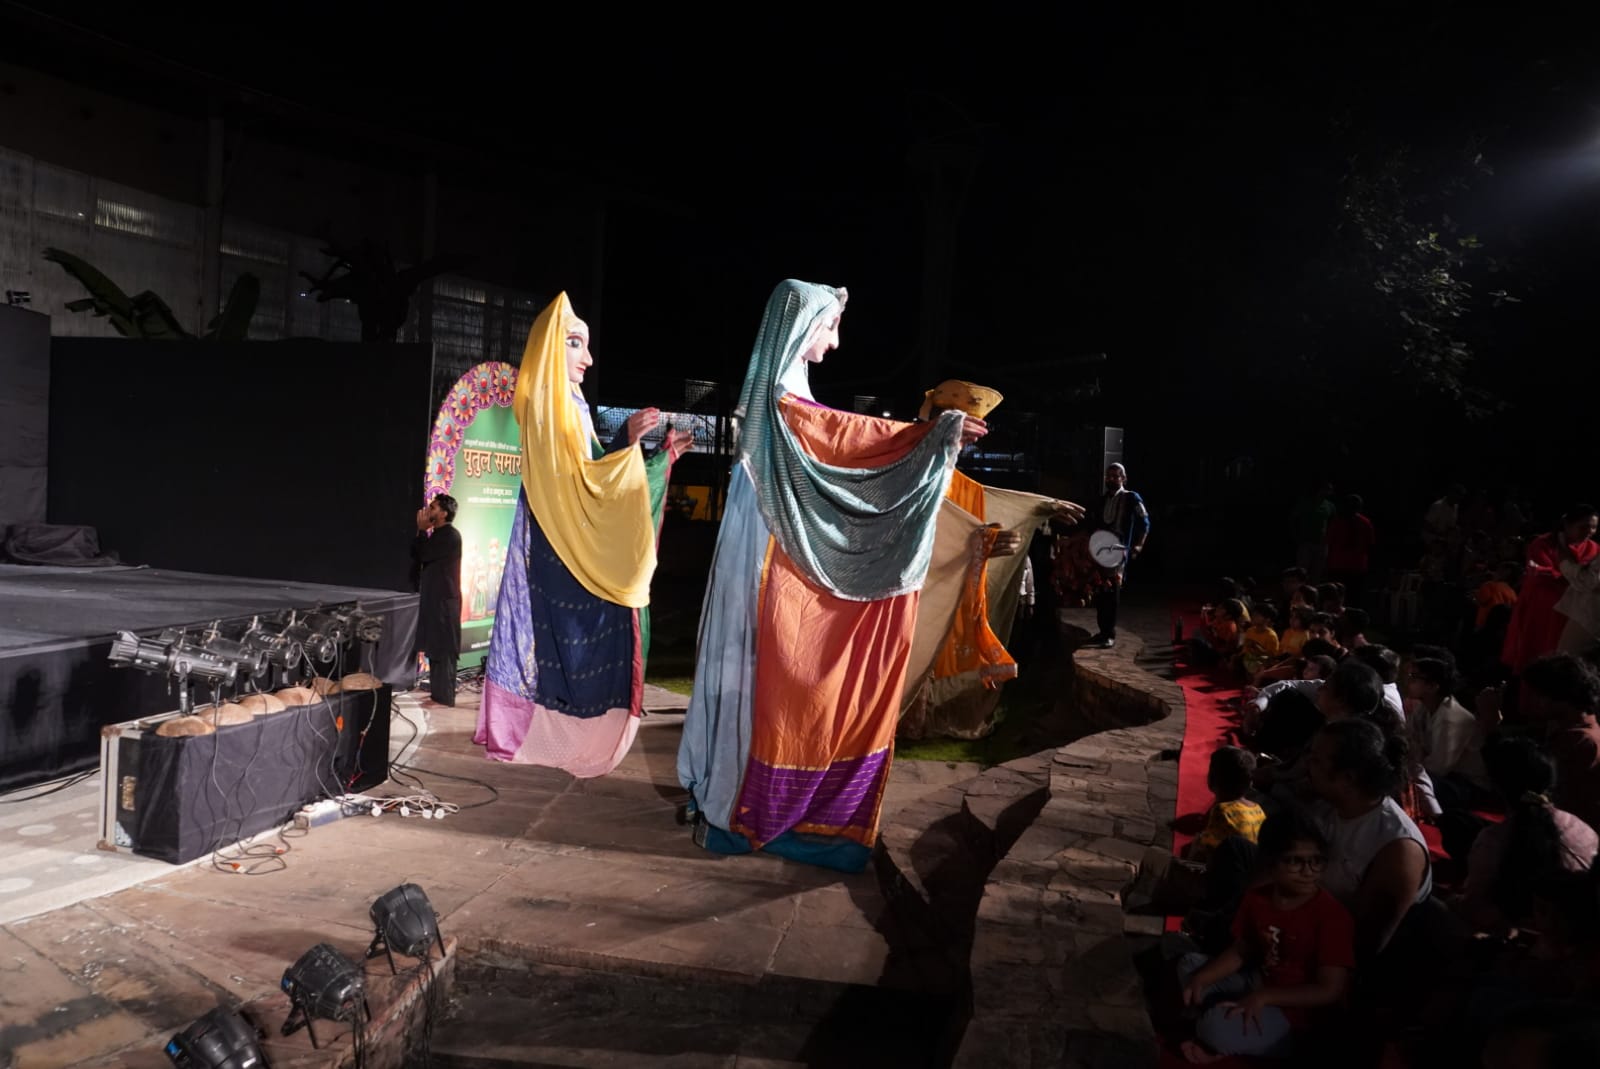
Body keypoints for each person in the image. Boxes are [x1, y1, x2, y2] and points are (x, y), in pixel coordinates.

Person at [676, 280, 985, 872]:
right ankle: (747, 809)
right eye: (830, 326)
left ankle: (732, 796)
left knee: (756, 669)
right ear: (800, 327)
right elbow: (841, 439)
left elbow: (836, 435)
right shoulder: (783, 401)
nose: (836, 342)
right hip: (772, 553)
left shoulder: (785, 397)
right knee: (772, 671)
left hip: (769, 544)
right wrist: (929, 436)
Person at [473, 293, 690, 776]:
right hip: (558, 544)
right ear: (550, 348)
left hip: (567, 537)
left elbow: (590, 471)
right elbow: (579, 483)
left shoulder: (572, 405)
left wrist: (649, 454)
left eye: (586, 345)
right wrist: (628, 444)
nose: (588, 358)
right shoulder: (549, 407)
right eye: (575, 344)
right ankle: (544, 732)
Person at [899, 379, 1084, 739]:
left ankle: (921, 720)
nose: (968, 445)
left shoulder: (946, 472)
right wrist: (979, 540)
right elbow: (930, 523)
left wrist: (1038, 508)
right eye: (964, 434)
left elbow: (978, 498)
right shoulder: (910, 466)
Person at [1176, 811, 1355, 1062]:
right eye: (1295, 861)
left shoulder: (1331, 916)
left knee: (1213, 1027)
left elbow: (1329, 990)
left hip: (1295, 1012)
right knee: (1190, 966)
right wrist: (1203, 978)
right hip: (1259, 980)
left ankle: (1224, 1028)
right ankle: (1222, 1016)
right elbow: (1241, 950)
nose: (1308, 871)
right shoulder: (1259, 898)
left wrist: (1264, 997)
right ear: (1271, 863)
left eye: (1316, 861)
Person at [1503, 505, 1600, 672]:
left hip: (1572, 612)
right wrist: (1572, 580)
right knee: (1536, 652)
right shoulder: (1543, 543)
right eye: (1583, 526)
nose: (1589, 532)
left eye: (1593, 527)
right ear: (1567, 525)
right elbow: (1540, 573)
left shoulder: (1594, 548)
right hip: (1543, 607)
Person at [1085, 462, 1149, 649]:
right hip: (1100, 550)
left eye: (1115, 476)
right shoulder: (1101, 500)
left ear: (1124, 479)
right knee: (1100, 590)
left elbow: (1145, 522)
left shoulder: (1132, 498)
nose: (1111, 479)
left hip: (1118, 551)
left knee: (1112, 592)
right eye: (1108, 476)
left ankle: (1109, 634)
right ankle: (1102, 631)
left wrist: (1139, 545)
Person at [411, 493, 463, 706]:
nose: (428, 511)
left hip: (444, 604)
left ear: (443, 513)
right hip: (436, 601)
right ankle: (438, 694)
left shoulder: (450, 536)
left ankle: (444, 696)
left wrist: (422, 531)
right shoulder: (439, 534)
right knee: (435, 647)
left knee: (444, 649)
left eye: (432, 508)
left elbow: (425, 554)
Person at [1184, 747, 1265, 864]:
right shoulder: (1258, 809)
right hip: (1251, 866)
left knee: (1197, 843)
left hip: (1231, 868)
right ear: (1250, 783)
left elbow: (1207, 847)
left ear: (1212, 779)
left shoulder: (1222, 810)